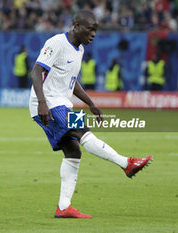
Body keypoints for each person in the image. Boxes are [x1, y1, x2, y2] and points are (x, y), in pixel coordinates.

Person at [29, 10, 152, 219]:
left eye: (96, 30)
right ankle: (126, 164)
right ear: (76, 25)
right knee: (83, 131)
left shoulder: (80, 50)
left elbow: (72, 81)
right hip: (49, 103)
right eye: (90, 29)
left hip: (61, 103)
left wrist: (91, 104)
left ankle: (64, 207)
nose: (93, 34)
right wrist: (42, 103)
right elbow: (36, 71)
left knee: (74, 152)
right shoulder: (57, 42)